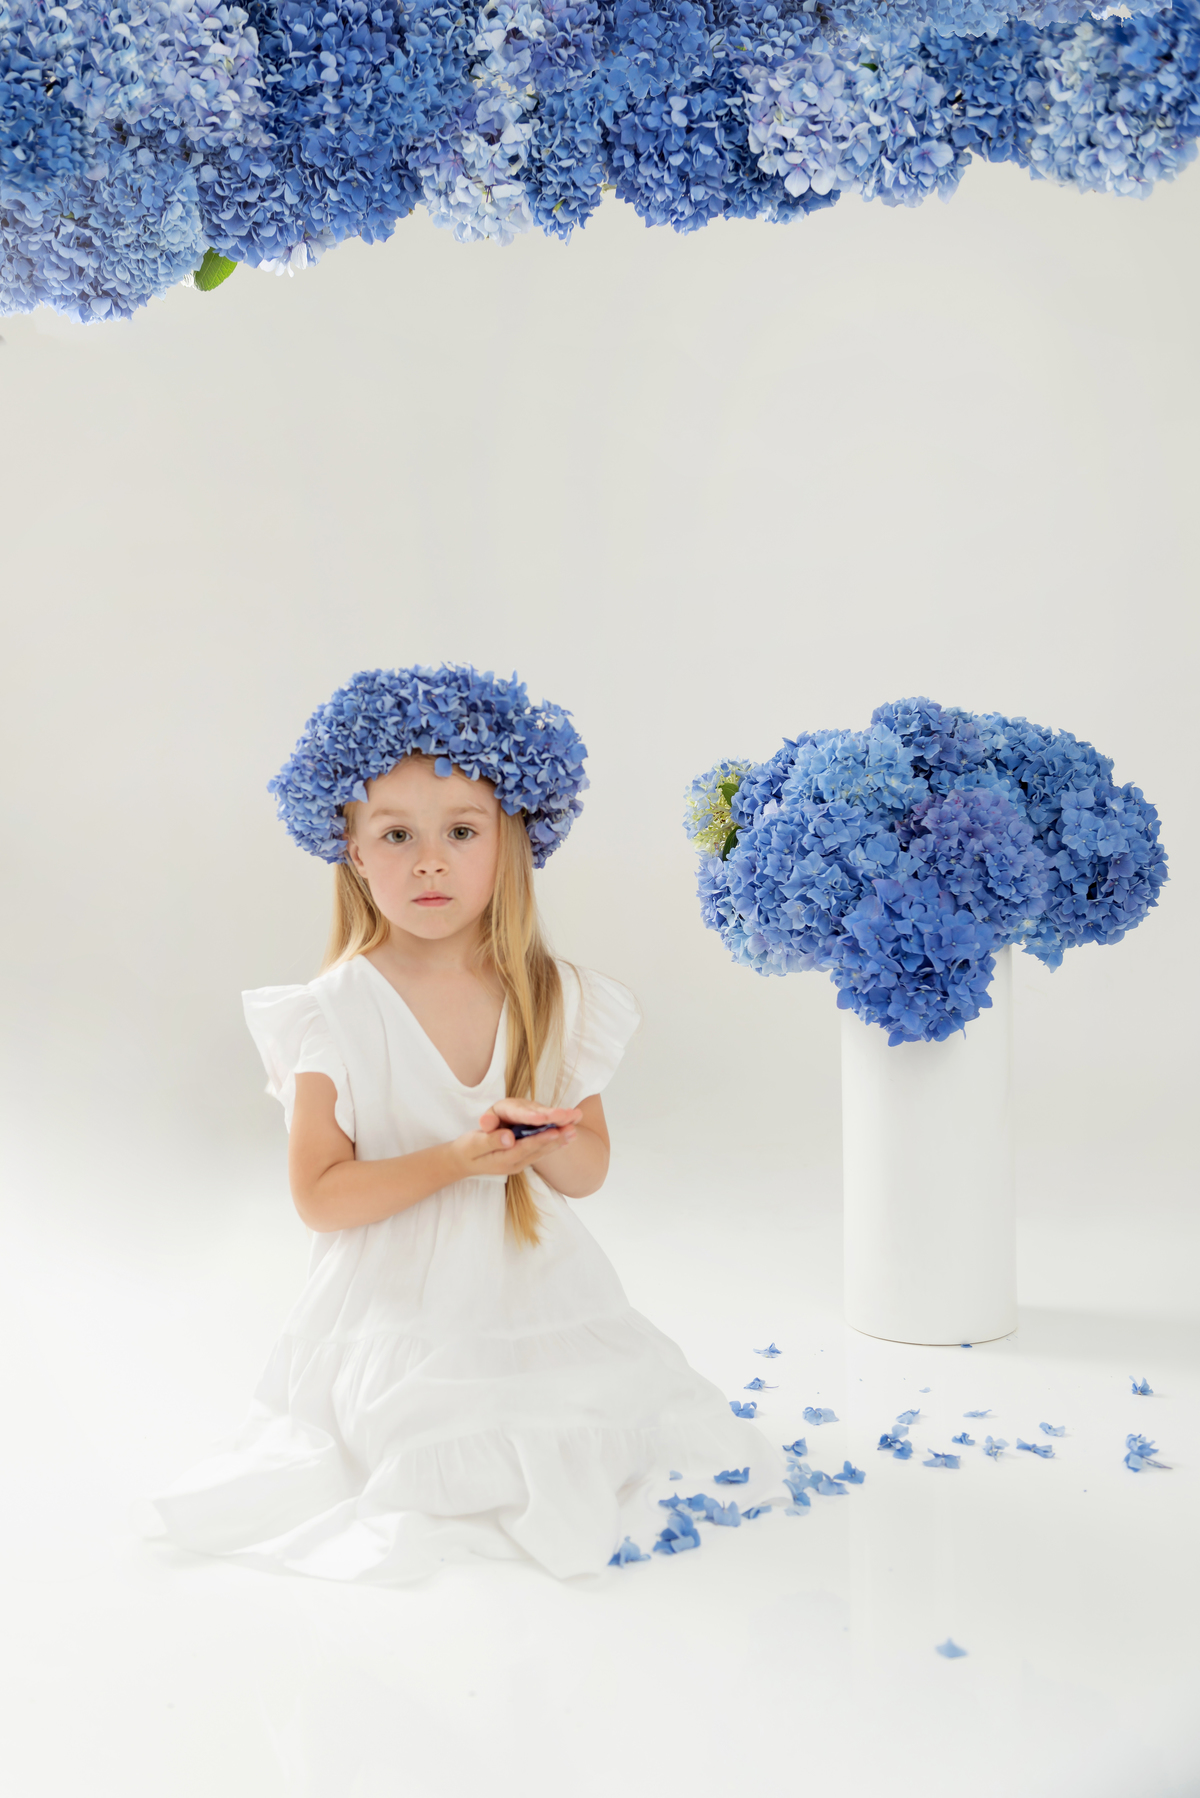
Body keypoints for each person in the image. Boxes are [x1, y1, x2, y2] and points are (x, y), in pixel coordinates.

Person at [151, 665, 782, 1583]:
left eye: (460, 832)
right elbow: (321, 1197)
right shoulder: (331, 1011)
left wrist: (555, 1141)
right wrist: (456, 1158)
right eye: (396, 835)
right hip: (395, 1306)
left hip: (534, 1287)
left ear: (511, 843)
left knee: (590, 1420)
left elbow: (591, 1170)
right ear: (354, 853)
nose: (430, 861)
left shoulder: (553, 996)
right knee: (431, 1435)